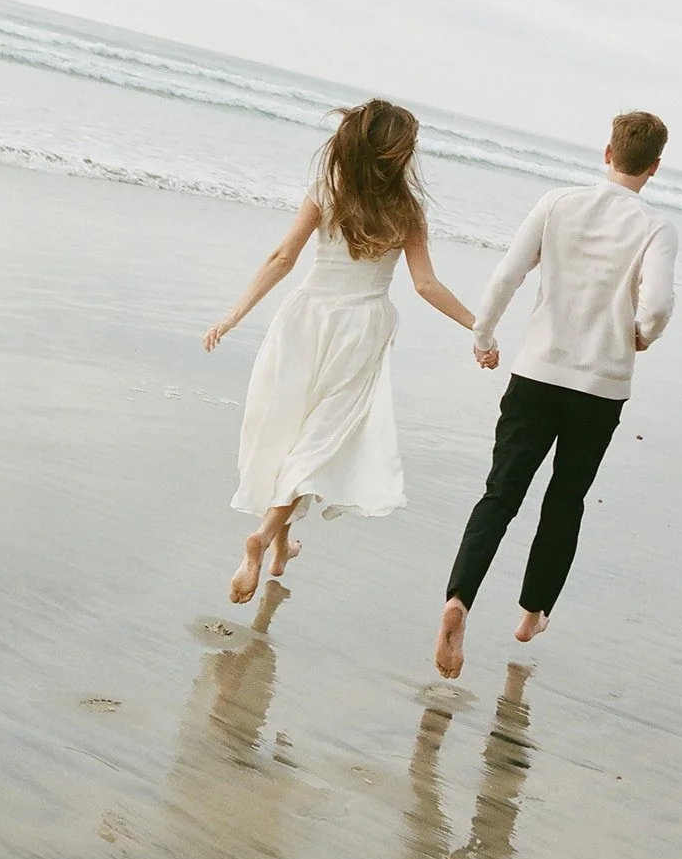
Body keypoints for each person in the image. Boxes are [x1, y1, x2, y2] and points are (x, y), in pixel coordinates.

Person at [204, 99, 487, 605]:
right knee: (320, 439)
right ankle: (267, 536)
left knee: (291, 428)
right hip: (361, 327)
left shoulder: (326, 192)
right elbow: (425, 284)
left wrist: (233, 316)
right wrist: (478, 327)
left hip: (305, 318)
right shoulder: (407, 211)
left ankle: (281, 544)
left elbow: (282, 257)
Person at [434, 111, 677, 679]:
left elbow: (507, 275)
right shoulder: (657, 228)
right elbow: (659, 305)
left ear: (607, 152)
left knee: (500, 494)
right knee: (565, 498)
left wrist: (484, 333)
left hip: (537, 374)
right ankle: (531, 611)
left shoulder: (557, 203)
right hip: (601, 388)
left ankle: (460, 599)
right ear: (655, 167)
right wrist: (640, 334)